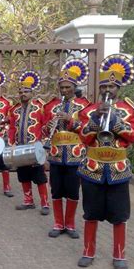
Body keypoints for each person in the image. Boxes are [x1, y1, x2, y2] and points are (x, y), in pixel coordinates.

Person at [77, 54, 134, 269]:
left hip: (117, 169)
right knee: (90, 212)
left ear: (118, 89)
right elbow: (84, 137)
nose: (107, 90)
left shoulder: (129, 109)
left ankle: (119, 254)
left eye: (112, 87)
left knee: (119, 213)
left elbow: (133, 135)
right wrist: (96, 120)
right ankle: (88, 251)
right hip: (93, 168)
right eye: (104, 86)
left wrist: (115, 120)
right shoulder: (89, 111)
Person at [43, 59, 90, 239]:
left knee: (72, 190)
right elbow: (45, 130)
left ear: (74, 87)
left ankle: (69, 224)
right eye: (62, 88)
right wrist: (48, 126)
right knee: (55, 189)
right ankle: (58, 223)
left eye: (67, 87)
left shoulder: (84, 106)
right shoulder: (53, 106)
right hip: (55, 155)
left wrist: (70, 119)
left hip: (75, 156)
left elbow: (88, 129)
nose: (64, 91)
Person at [8, 71, 50, 215]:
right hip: (20, 149)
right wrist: (11, 143)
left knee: (39, 177)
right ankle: (28, 201)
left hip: (35, 148)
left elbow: (46, 126)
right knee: (23, 175)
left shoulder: (40, 107)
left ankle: (45, 203)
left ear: (32, 92)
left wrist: (44, 143)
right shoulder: (15, 110)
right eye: (21, 91)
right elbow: (12, 128)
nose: (23, 94)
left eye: (26, 91)